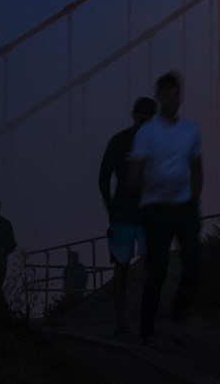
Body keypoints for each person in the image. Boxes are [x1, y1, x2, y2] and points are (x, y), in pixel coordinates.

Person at [128, 71, 204, 347]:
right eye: (167, 94)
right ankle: (147, 330)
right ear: (159, 97)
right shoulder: (147, 133)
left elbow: (197, 170)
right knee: (157, 272)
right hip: (155, 209)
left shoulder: (190, 131)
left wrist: (193, 198)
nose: (172, 99)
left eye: (176, 94)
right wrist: (146, 195)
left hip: (183, 207)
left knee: (193, 265)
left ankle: (175, 320)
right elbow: (135, 172)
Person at [98, 96, 157, 336]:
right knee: (131, 268)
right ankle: (125, 321)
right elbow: (103, 177)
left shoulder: (121, 140)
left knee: (130, 268)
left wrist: (110, 206)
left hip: (133, 214)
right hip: (128, 214)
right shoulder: (125, 141)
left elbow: (104, 177)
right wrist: (111, 207)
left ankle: (129, 321)